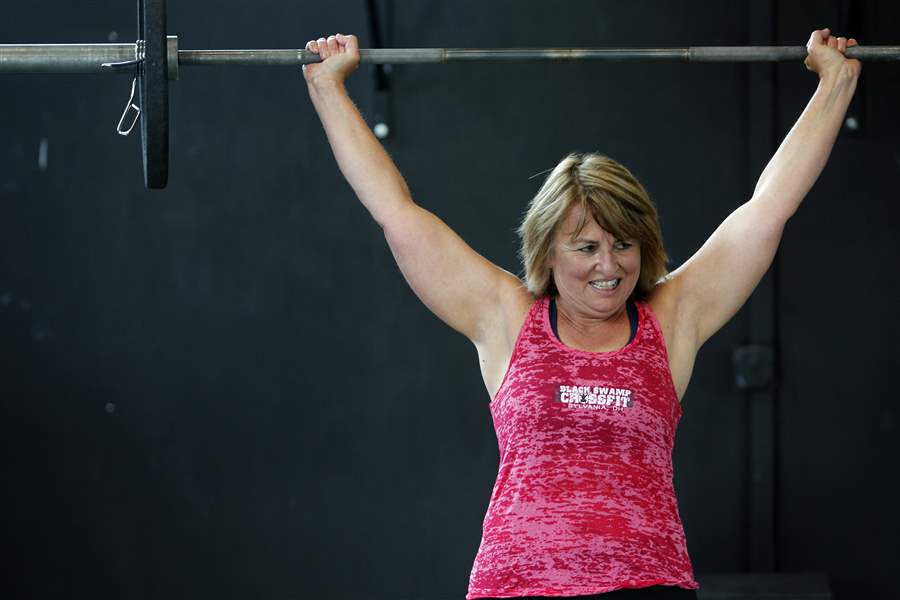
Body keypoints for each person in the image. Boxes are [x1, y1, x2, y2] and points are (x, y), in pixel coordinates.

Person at [301, 28, 861, 600]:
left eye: (623, 244)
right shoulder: (505, 316)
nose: (608, 266)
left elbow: (768, 209)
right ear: (547, 250)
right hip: (515, 586)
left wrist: (836, 82)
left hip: (646, 582)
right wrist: (328, 89)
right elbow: (395, 212)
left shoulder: (671, 319)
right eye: (586, 247)